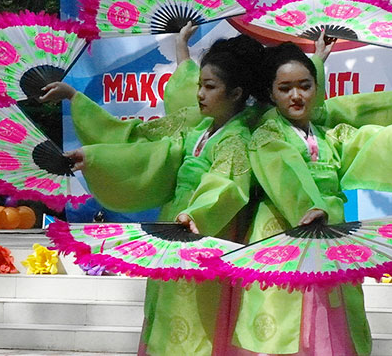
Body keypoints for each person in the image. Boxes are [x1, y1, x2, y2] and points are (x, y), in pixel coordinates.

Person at [224, 42, 392, 356]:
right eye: (285, 88)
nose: (296, 95)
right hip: (284, 232)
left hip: (331, 232)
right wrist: (310, 208)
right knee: (283, 324)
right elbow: (284, 174)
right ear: (271, 93)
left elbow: (380, 142)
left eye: (305, 86)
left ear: (317, 88)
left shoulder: (329, 136)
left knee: (332, 326)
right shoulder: (267, 135)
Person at [42, 27, 267, 356]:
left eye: (209, 87)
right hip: (176, 227)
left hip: (208, 231)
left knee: (197, 320)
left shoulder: (238, 137)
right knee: (166, 309)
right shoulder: (199, 129)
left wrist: (196, 214)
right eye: (200, 85)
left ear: (236, 93)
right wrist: (94, 156)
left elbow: (227, 184)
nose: (199, 94)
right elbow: (144, 148)